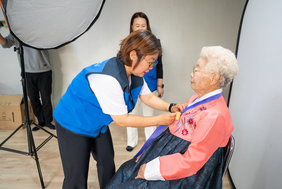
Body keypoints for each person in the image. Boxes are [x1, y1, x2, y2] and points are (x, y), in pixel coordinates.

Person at [53, 30, 185, 189]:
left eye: (154, 63)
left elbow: (148, 97)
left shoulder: (135, 73)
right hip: (72, 122)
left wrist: (170, 107)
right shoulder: (108, 79)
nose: (151, 67)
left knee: (107, 163)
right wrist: (159, 120)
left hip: (97, 123)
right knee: (76, 177)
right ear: (134, 55)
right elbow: (123, 120)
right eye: (150, 62)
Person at [105, 46, 239, 189]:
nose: (191, 74)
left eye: (197, 69)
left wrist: (150, 170)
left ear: (214, 78)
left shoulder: (215, 116)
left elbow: (192, 161)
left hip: (188, 171)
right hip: (173, 155)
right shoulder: (195, 98)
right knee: (127, 170)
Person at [0, 26, 55, 131]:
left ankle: (47, 121)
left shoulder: (41, 31)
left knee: (46, 98)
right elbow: (5, 44)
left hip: (44, 70)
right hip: (27, 72)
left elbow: (51, 42)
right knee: (33, 99)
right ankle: (41, 121)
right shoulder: (16, 33)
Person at [126, 12, 164, 152]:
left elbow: (159, 65)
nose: (140, 28)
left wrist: (160, 85)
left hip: (151, 83)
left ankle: (150, 142)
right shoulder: (127, 43)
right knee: (131, 114)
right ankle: (132, 141)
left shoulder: (156, 43)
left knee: (150, 115)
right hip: (133, 84)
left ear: (147, 26)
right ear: (132, 27)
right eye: (137, 25)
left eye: (143, 25)